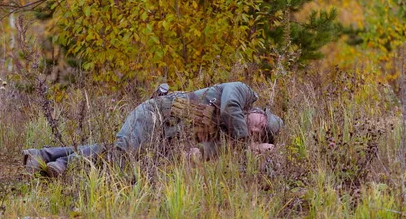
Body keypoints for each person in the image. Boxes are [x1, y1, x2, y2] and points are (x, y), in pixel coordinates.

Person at [23, 81, 283, 177]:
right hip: (154, 113)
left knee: (118, 154)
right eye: (262, 124)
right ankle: (65, 163)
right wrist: (244, 143)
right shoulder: (241, 91)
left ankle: (44, 156)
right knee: (124, 151)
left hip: (161, 137)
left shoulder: (229, 139)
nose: (257, 130)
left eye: (261, 133)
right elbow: (229, 108)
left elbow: (203, 152)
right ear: (259, 111)